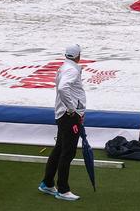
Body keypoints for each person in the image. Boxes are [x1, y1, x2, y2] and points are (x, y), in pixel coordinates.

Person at [38, 44, 86, 201]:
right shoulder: (71, 70)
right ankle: (63, 190)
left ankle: (47, 183)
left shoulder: (65, 67)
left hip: (63, 114)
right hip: (68, 115)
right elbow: (63, 88)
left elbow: (63, 88)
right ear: (78, 56)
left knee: (59, 149)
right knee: (68, 152)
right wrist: (72, 109)